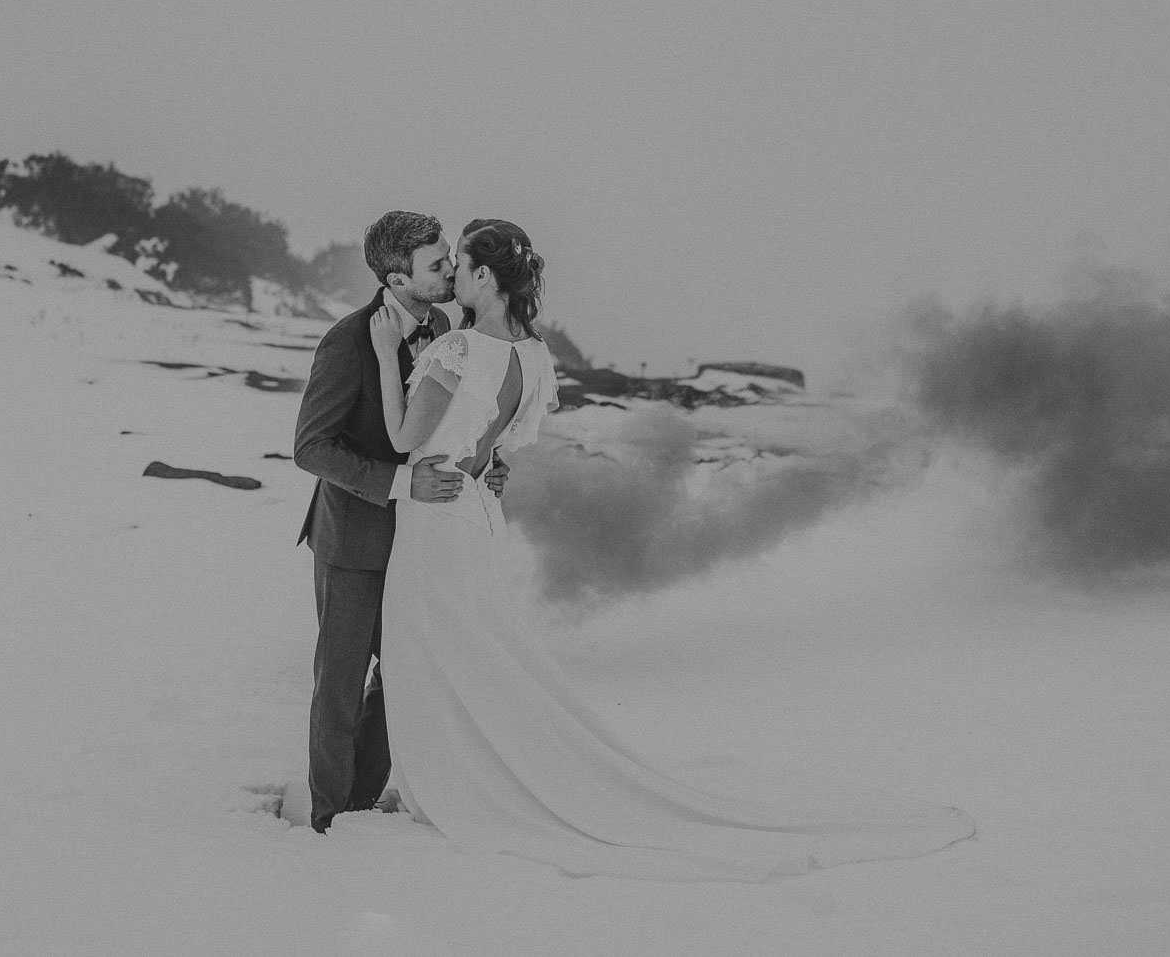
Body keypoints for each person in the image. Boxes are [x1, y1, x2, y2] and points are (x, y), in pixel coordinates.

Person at [368, 218, 977, 880]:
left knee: (433, 647)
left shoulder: (458, 349)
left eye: (460, 265)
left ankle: (455, 785)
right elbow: (497, 454)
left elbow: (404, 438)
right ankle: (478, 772)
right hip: (480, 516)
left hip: (434, 517)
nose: (452, 274)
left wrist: (382, 353)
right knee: (479, 651)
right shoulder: (533, 357)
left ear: (485, 277)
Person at [293, 211, 508, 835]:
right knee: (339, 684)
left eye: (448, 259)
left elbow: (448, 422)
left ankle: (361, 800)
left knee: (403, 675)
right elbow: (311, 447)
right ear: (396, 277)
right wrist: (396, 482)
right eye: (437, 265)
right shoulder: (345, 341)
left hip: (419, 542)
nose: (451, 271)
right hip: (352, 542)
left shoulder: (441, 326)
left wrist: (485, 466)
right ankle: (328, 819)